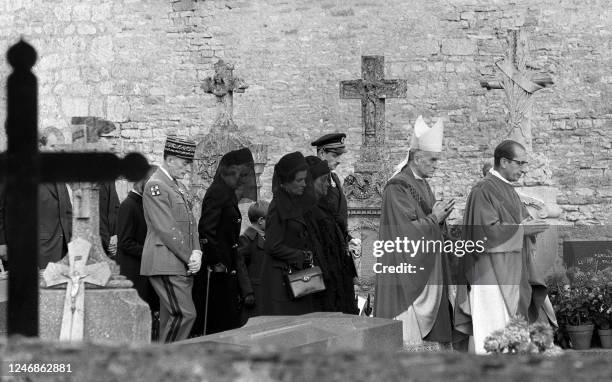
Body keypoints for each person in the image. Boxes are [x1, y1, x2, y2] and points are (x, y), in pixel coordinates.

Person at [455, 140, 557, 354]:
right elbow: (484, 233)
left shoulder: (508, 190)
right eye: (520, 163)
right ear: (503, 161)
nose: (524, 169)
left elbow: (517, 223)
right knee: (495, 330)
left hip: (513, 271)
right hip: (491, 275)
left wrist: (530, 226)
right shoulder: (483, 189)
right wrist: (523, 230)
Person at [374, 116, 456, 350]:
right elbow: (404, 233)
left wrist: (440, 221)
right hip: (405, 271)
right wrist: (434, 218)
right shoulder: (397, 187)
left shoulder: (422, 183)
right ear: (417, 158)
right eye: (432, 159)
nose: (436, 165)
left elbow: (425, 221)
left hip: (428, 267)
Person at [140, 136, 202, 343]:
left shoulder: (176, 186)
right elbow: (166, 228)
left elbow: (191, 223)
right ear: (170, 159)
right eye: (185, 164)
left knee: (170, 318)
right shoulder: (155, 185)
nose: (187, 170)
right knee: (185, 314)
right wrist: (189, 256)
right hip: (165, 261)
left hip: (176, 262)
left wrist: (197, 252)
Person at [194, 148, 257, 335]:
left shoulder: (227, 192)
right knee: (217, 319)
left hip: (227, 266)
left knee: (227, 319)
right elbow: (206, 230)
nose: (243, 179)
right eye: (240, 173)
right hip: (217, 270)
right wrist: (217, 262)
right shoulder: (218, 192)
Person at [0, 135, 73, 269]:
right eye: (52, 146)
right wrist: (2, 243)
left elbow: (67, 209)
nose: (57, 151)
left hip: (64, 248)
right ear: (40, 147)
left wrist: (72, 239)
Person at [260, 152, 319, 315]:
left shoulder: (297, 203)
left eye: (305, 179)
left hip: (297, 275)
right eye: (299, 180)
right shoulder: (278, 206)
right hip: (281, 278)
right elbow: (272, 245)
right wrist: (302, 256)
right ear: (286, 182)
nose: (304, 184)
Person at [305, 156, 358, 314]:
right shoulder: (308, 213)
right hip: (324, 285)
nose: (328, 184)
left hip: (338, 279)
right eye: (323, 180)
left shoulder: (324, 208)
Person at [117, 166, 159, 318]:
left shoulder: (143, 204)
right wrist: (152, 252)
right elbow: (125, 242)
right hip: (132, 272)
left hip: (144, 270)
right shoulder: (128, 206)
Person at [311, 133, 359, 252]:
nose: (339, 161)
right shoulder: (312, 180)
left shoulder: (334, 178)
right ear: (322, 153)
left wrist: (347, 238)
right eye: (335, 155)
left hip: (337, 246)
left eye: (340, 156)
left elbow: (336, 215)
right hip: (322, 249)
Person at [236, 201, 269, 324]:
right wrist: (247, 292)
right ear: (261, 220)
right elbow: (241, 267)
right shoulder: (246, 240)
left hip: (267, 288)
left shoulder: (268, 237)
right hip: (255, 291)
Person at [99, 181, 120, 258]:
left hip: (112, 242)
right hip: (99, 243)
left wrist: (116, 235)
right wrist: (108, 242)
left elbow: (116, 208)